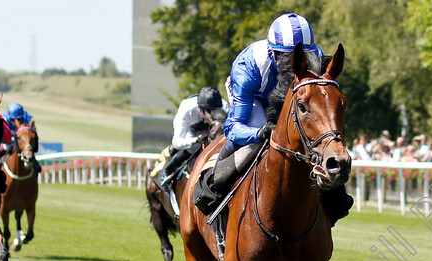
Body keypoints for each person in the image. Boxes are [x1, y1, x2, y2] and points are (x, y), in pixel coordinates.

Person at [194, 13, 353, 226]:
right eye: (287, 56)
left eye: (302, 54)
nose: (294, 61)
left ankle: (333, 204)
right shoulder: (248, 66)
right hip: (253, 97)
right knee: (254, 138)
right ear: (273, 52)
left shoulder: (314, 55)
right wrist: (259, 133)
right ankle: (214, 185)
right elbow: (233, 128)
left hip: (290, 96)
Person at [151, 87, 228, 187]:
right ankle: (168, 171)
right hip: (192, 133)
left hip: (213, 132)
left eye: (215, 112)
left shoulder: (225, 107)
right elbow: (177, 142)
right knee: (193, 148)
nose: (212, 117)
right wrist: (195, 140)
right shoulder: (187, 109)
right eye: (209, 112)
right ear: (200, 109)